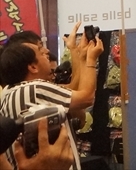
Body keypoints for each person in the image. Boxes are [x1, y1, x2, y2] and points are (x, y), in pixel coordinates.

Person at [0, 25, 102, 169]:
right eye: (40, 50)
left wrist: (76, 52)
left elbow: (73, 90)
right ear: (32, 67)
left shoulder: (12, 91)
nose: (47, 52)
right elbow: (86, 97)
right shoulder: (34, 88)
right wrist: (91, 59)